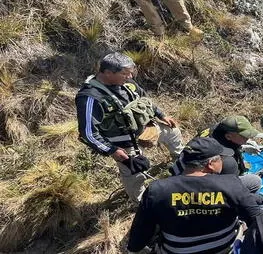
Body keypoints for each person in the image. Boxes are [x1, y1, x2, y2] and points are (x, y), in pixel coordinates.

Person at [75, 52, 183, 202]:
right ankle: (141, 202)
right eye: (125, 73)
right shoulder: (90, 98)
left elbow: (145, 100)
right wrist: (112, 150)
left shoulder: (127, 84)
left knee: (173, 132)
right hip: (123, 143)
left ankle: (181, 162)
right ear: (107, 73)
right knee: (135, 175)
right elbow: (88, 133)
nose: (130, 77)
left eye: (131, 73)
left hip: (145, 129)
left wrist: (161, 115)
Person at [127, 137, 262, 253]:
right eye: (221, 158)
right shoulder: (231, 184)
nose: (223, 161)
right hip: (225, 250)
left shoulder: (157, 190)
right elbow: (258, 222)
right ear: (210, 164)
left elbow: (136, 241)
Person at [172, 115, 263, 196]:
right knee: (254, 181)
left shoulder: (214, 129)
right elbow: (232, 189)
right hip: (197, 191)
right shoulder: (227, 161)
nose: (248, 139)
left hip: (180, 173)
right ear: (228, 136)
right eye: (244, 137)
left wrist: (241, 146)